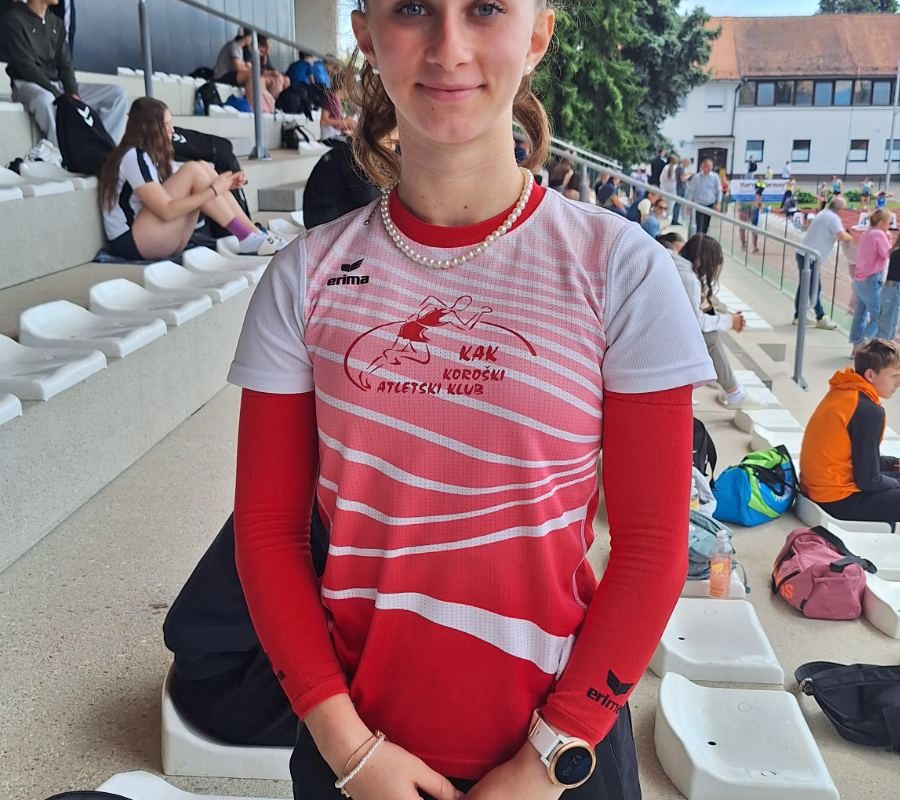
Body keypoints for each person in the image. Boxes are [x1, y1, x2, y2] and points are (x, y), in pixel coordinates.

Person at [227, 3, 715, 800]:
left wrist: (551, 755)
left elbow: (653, 546)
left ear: (537, 35)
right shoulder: (305, 278)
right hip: (357, 759)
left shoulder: (621, 270)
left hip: (563, 757)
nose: (448, 47)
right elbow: (268, 534)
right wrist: (349, 750)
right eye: (413, 9)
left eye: (484, 8)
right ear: (366, 35)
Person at [97, 98, 285, 261]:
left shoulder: (153, 155)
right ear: (149, 128)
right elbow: (166, 211)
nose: (172, 130)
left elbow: (195, 181)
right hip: (131, 242)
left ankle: (254, 234)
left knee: (202, 167)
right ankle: (245, 236)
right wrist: (215, 191)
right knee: (194, 171)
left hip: (154, 237)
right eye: (166, 125)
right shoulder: (132, 156)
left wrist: (225, 183)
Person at [800, 339, 900, 524]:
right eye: (895, 376)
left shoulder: (845, 391)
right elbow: (868, 480)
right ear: (871, 375)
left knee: (894, 469)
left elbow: (858, 460)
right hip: (836, 501)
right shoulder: (869, 411)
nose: (898, 383)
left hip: (816, 489)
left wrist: (892, 464)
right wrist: (896, 482)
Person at [2, 0, 126, 146]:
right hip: (27, 85)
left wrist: (73, 92)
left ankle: (101, 150)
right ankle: (60, 150)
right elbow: (25, 67)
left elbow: (65, 66)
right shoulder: (13, 19)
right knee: (44, 98)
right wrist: (58, 95)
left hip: (57, 86)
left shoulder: (56, 23)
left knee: (116, 94)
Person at [675, 234, 747, 408]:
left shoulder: (679, 265)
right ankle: (733, 391)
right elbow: (696, 324)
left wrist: (728, 318)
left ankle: (719, 377)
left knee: (713, 318)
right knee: (710, 338)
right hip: (664, 337)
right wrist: (730, 321)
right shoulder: (688, 278)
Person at [793, 196, 849, 328]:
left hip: (805, 254)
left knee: (805, 285)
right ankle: (820, 316)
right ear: (840, 209)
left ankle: (799, 315)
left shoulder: (824, 213)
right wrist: (851, 238)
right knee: (814, 287)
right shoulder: (833, 218)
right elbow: (841, 235)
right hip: (810, 257)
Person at [850, 209, 892, 355]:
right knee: (877, 316)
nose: (889, 226)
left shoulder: (866, 234)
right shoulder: (879, 235)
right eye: (888, 223)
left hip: (860, 278)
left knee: (860, 314)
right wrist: (889, 241)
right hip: (872, 279)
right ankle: (863, 345)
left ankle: (855, 345)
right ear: (881, 223)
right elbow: (887, 254)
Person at [213, 29, 260, 108]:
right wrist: (249, 68)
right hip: (221, 76)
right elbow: (237, 66)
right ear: (248, 37)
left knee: (255, 75)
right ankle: (251, 106)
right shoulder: (234, 45)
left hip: (228, 75)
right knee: (250, 75)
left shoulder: (239, 48)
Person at [687, 158, 721, 234]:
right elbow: (691, 191)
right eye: (707, 166)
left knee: (706, 226)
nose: (708, 169)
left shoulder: (715, 177)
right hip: (699, 204)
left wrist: (718, 203)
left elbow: (719, 190)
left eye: (710, 167)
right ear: (703, 166)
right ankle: (699, 239)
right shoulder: (696, 177)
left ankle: (703, 238)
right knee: (699, 226)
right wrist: (689, 204)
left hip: (710, 204)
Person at [252, 35, 291, 101]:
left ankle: (283, 101)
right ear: (262, 46)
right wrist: (271, 72)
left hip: (265, 75)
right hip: (258, 77)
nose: (270, 48)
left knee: (286, 79)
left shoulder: (265, 55)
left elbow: (270, 67)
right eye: (268, 46)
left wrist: (276, 72)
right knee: (278, 79)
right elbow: (256, 70)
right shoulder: (255, 54)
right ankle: (272, 102)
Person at [877, 233, 900, 342]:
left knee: (887, 322)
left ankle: (881, 346)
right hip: (893, 289)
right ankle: (881, 348)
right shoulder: (896, 253)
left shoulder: (895, 251)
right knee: (887, 324)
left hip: (890, 288)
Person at [672, 156, 691, 227]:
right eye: (688, 163)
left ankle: (675, 219)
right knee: (678, 205)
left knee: (678, 205)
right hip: (681, 188)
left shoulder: (679, 168)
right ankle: (675, 220)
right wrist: (689, 175)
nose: (688, 165)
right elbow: (682, 179)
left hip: (679, 188)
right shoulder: (681, 168)